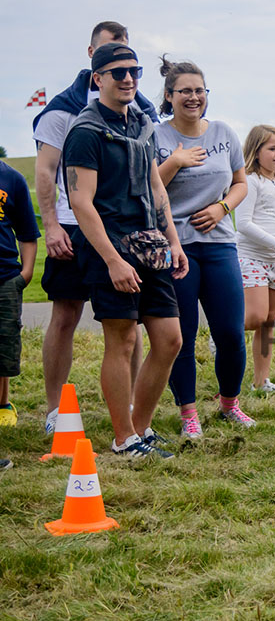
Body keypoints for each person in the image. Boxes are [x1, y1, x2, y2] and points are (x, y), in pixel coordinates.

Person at [63, 42, 187, 458]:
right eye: (118, 72)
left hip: (149, 242)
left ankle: (142, 429)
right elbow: (82, 202)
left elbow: (155, 185)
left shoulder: (141, 123)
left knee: (170, 339)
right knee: (123, 342)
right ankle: (124, 440)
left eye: (134, 71)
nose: (129, 78)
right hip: (108, 246)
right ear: (97, 78)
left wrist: (173, 240)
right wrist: (113, 260)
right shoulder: (85, 131)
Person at [32, 21, 155, 434]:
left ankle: (132, 403)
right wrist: (51, 226)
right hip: (71, 225)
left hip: (124, 228)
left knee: (130, 323)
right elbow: (46, 172)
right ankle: (55, 409)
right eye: (110, 55)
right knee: (65, 315)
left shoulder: (140, 109)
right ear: (92, 58)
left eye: (128, 58)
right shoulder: (64, 108)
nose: (124, 71)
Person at [155, 56, 250, 438]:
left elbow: (241, 182)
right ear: (169, 96)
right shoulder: (156, 137)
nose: (193, 97)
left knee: (230, 331)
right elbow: (149, 187)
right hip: (175, 248)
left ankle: (230, 404)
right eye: (185, 92)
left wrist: (221, 207)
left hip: (220, 245)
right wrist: (174, 162)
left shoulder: (223, 133)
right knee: (183, 334)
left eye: (199, 91)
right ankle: (188, 413)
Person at [235, 125, 275, 393]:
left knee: (269, 322)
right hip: (251, 258)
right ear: (256, 151)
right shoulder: (250, 181)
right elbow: (244, 224)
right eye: (272, 149)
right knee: (256, 317)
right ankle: (222, 331)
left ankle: (261, 381)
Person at [0, 157, 41, 427]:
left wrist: (24, 274)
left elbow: (27, 233)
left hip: (4, 278)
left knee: (3, 350)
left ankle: (2, 406)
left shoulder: (11, 178)